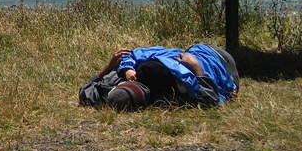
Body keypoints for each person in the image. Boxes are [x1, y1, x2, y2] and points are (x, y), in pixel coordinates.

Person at [79, 43, 239, 109]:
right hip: (220, 62)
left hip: (196, 52)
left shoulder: (114, 82)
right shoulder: (179, 88)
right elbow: (213, 100)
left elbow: (84, 92)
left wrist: (113, 68)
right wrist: (196, 67)